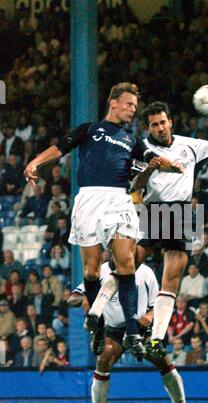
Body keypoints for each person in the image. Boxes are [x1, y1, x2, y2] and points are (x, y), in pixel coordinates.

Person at [84, 100, 208, 358]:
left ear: (170, 122)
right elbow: (132, 186)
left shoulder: (189, 144)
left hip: (183, 212)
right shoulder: (141, 149)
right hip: (152, 210)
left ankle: (156, 339)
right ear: (148, 128)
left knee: (172, 280)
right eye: (154, 125)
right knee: (126, 266)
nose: (159, 127)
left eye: (162, 122)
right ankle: (96, 314)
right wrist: (149, 170)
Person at [24, 83, 180, 358]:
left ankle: (132, 332)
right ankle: (100, 328)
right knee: (92, 272)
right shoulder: (89, 130)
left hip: (119, 199)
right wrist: (36, 162)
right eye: (129, 104)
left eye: (135, 106)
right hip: (89, 200)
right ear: (114, 103)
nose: (133, 110)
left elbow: (150, 156)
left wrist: (166, 163)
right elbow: (60, 148)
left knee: (127, 263)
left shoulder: (131, 140)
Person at [71, 261, 201, 403]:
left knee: (162, 358)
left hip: (140, 330)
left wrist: (149, 314)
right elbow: (75, 295)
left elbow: (157, 305)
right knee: (103, 359)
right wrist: (83, 298)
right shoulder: (100, 270)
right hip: (113, 331)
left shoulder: (146, 272)